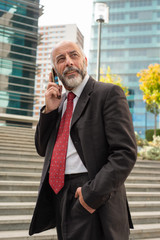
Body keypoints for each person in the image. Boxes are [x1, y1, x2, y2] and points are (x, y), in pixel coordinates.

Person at [29, 40, 137, 240]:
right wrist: (49, 111)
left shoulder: (108, 93)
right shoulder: (57, 104)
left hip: (94, 194)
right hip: (60, 195)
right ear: (55, 71)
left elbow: (125, 153)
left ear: (84, 61)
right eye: (61, 59)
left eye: (74, 55)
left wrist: (91, 194)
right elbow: (42, 149)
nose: (68, 62)